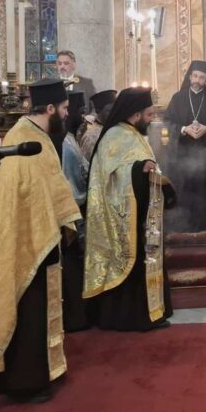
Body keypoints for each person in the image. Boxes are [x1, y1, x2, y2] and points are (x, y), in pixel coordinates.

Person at [0, 79, 81, 402]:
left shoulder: (36, 136)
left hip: (39, 237)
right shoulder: (24, 139)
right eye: (64, 108)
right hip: (27, 241)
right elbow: (29, 193)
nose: (67, 114)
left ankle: (39, 374)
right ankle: (26, 382)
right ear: (50, 108)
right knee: (28, 312)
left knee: (36, 311)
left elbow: (49, 187)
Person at [85, 87, 173, 331]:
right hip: (122, 216)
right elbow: (111, 176)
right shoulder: (116, 136)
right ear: (136, 114)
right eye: (149, 114)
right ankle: (131, 318)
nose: (151, 119)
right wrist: (138, 169)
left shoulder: (131, 133)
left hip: (140, 213)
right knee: (131, 263)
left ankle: (152, 313)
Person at [162, 61, 206, 233]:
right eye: (195, 76)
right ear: (190, 77)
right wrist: (184, 129)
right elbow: (168, 121)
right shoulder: (178, 98)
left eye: (201, 77)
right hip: (183, 154)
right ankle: (185, 224)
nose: (197, 80)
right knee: (185, 187)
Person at [61, 91, 91, 332]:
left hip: (79, 207)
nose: (84, 118)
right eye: (80, 113)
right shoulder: (65, 143)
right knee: (72, 263)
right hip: (73, 209)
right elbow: (73, 178)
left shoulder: (71, 138)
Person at [80, 88, 117, 161]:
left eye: (115, 111)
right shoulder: (91, 137)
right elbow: (85, 164)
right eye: (110, 111)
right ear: (98, 111)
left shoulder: (113, 129)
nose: (114, 114)